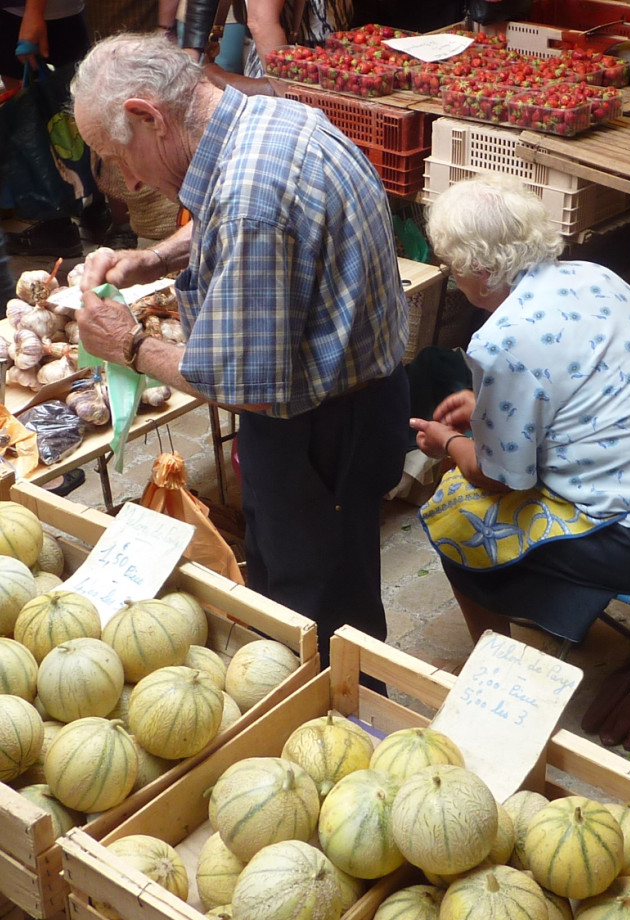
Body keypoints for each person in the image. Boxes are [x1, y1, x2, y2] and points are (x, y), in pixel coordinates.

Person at [71, 32, 410, 667]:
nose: (125, 178)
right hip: (352, 407)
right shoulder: (257, 117)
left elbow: (243, 385)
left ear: (148, 116)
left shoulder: (253, 197)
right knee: (328, 595)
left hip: (320, 433)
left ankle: (343, 727)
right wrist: (157, 256)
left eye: (116, 156)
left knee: (319, 625)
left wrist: (131, 344)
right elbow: (225, 214)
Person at [410, 173, 630, 646]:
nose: (454, 282)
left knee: (455, 511)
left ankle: (491, 660)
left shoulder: (502, 340)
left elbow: (499, 476)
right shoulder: (595, 276)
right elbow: (572, 390)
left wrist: (450, 443)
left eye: (452, 267)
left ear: (479, 268)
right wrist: (486, 408)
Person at [1, 0, 91, 258]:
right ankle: (90, 218)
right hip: (49, 12)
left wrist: (33, 12)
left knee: (34, 117)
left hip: (29, 14)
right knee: (69, 112)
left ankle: (60, 227)